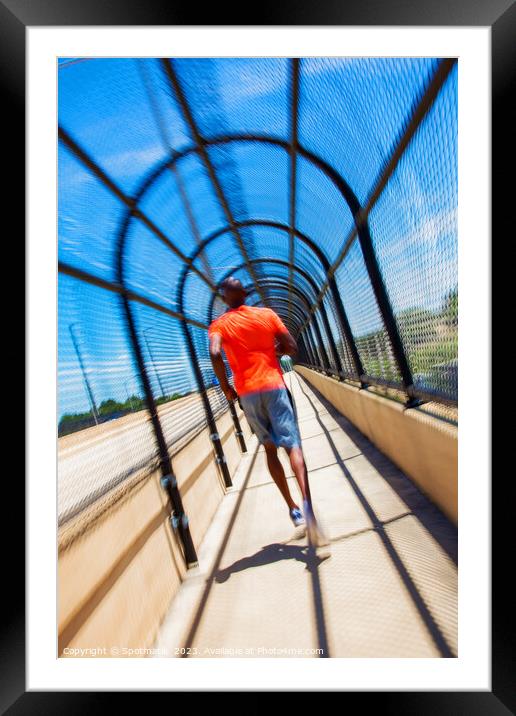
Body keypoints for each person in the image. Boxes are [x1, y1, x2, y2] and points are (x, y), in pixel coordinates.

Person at [208, 277, 325, 544]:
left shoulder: (219, 325)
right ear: (246, 293)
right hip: (274, 384)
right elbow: (291, 346)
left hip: (247, 392)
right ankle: (307, 503)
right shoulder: (267, 314)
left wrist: (227, 387)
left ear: (225, 298)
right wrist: (272, 352)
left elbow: (215, 353)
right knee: (292, 445)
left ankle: (293, 509)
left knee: (269, 448)